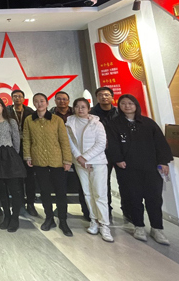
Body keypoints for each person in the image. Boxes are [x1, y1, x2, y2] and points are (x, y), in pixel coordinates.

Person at [107, 94, 174, 245]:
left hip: (150, 168)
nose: (127, 106)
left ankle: (157, 228)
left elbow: (160, 143)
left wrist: (163, 162)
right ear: (119, 106)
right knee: (134, 198)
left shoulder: (148, 123)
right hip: (128, 168)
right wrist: (118, 159)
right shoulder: (114, 124)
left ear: (136, 105)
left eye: (130, 103)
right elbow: (112, 144)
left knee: (154, 198)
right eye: (123, 103)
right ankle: (139, 226)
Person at [23, 93, 74, 237]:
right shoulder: (29, 120)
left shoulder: (56, 120)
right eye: (36, 101)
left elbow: (64, 140)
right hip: (39, 160)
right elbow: (26, 139)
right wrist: (27, 156)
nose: (39, 104)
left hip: (57, 160)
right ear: (33, 103)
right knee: (44, 191)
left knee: (60, 192)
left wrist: (67, 160)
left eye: (42, 101)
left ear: (47, 103)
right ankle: (49, 218)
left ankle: (63, 220)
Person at [66, 98, 113, 242]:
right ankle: (94, 221)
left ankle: (104, 225)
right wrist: (79, 158)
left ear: (88, 109)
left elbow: (101, 144)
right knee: (87, 193)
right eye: (77, 107)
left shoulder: (97, 124)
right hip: (79, 163)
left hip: (97, 162)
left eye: (83, 107)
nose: (80, 109)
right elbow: (70, 143)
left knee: (100, 193)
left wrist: (85, 158)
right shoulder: (69, 123)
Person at [0, 97, 26, 233]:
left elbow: (16, 142)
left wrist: (12, 155)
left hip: (10, 157)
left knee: (14, 190)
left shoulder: (11, 122)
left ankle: (15, 217)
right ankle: (7, 216)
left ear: (3, 107)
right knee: (1, 190)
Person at [51, 91, 89, 221]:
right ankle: (61, 209)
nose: (62, 101)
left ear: (68, 100)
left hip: (78, 152)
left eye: (64, 99)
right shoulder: (51, 115)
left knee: (82, 182)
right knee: (60, 183)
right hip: (59, 152)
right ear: (55, 101)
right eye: (59, 99)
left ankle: (87, 210)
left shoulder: (76, 113)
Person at [90, 87, 125, 222]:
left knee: (125, 182)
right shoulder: (91, 114)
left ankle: (127, 210)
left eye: (106, 95)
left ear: (112, 97)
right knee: (103, 183)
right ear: (97, 98)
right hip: (100, 153)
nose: (104, 97)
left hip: (120, 152)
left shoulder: (119, 112)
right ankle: (106, 210)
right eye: (100, 95)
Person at [7, 89, 37, 216]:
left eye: (19, 96)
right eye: (15, 96)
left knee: (30, 177)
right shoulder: (7, 111)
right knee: (16, 177)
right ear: (11, 98)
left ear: (23, 98)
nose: (17, 98)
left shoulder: (30, 112)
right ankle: (19, 203)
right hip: (13, 148)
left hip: (28, 147)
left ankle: (30, 203)